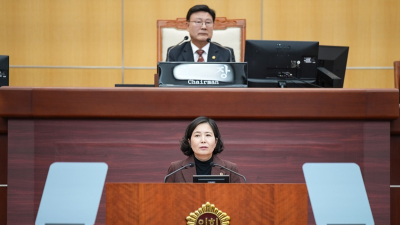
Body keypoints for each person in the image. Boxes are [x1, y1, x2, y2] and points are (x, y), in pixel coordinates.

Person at [165, 116, 242, 183]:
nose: (203, 140)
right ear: (189, 141)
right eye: (197, 135)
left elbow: (238, 198)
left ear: (215, 141)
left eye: (208, 135)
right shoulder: (176, 169)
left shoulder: (230, 169)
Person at [166, 5, 235, 62]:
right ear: (187, 26)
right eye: (198, 22)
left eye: (208, 22)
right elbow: (166, 78)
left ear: (213, 26)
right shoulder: (174, 52)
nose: (204, 27)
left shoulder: (226, 53)